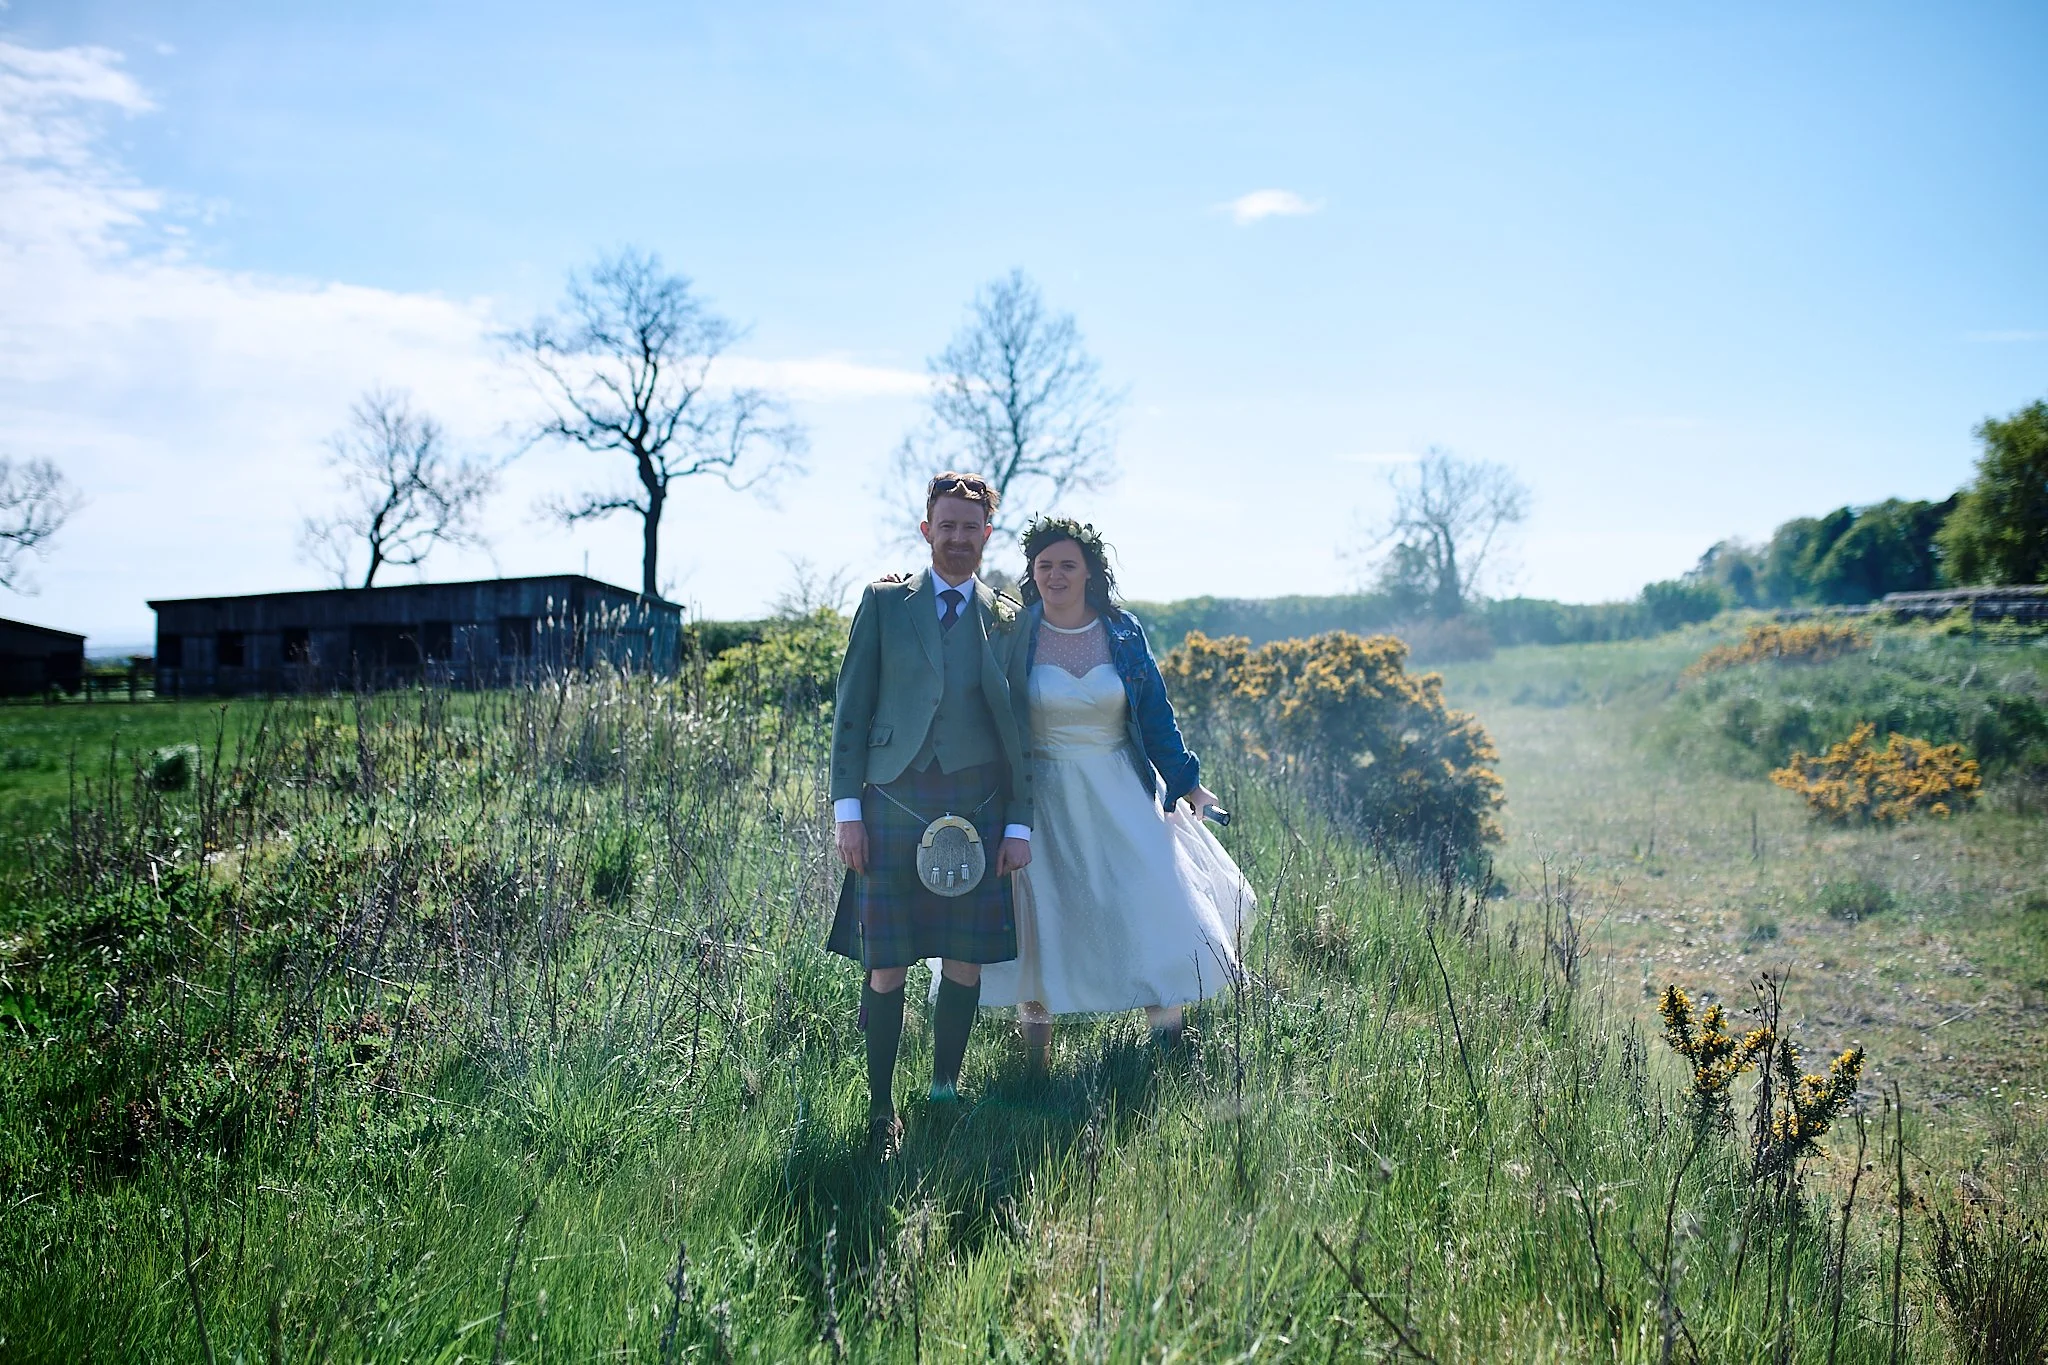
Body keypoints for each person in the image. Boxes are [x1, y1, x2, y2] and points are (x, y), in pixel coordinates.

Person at [977, 516, 1252, 1065]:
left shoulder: (1122, 630)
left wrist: (1188, 782)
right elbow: (991, 715)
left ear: (1089, 572)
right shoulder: (1014, 632)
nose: (1055, 575)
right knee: (1043, 910)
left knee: (1147, 895)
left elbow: (1154, 713)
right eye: (1045, 565)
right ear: (1033, 571)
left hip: (1120, 788)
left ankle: (1169, 1043)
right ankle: (1034, 1061)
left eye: (1067, 565)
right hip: (1042, 795)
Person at [825, 472, 1035, 1154]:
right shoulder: (885, 604)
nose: (956, 537)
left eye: (969, 527)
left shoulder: (1005, 615)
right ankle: (881, 1106)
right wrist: (847, 810)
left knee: (965, 959)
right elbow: (851, 711)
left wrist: (1019, 821)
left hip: (976, 804)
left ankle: (944, 1089)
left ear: (986, 535)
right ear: (926, 530)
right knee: (887, 964)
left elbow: (1020, 725)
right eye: (945, 525)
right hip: (889, 799)